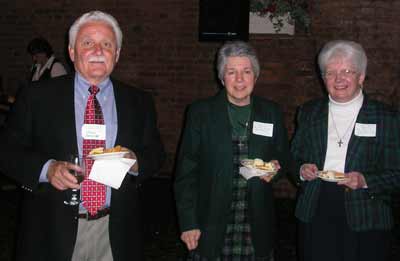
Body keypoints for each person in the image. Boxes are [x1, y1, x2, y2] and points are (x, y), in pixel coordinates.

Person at [0, 10, 165, 261]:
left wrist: (135, 160)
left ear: (117, 54)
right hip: (51, 231)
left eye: (107, 44)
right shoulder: (36, 97)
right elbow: (7, 151)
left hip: (115, 231)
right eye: (88, 43)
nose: (98, 50)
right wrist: (47, 169)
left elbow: (156, 153)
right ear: (72, 51)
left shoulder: (138, 101)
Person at [174, 41, 291, 260]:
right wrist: (188, 222)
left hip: (255, 223)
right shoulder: (201, 113)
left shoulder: (271, 112)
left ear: (255, 76)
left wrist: (276, 167)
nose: (239, 79)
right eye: (231, 72)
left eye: (246, 71)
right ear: (221, 77)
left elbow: (284, 156)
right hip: (210, 221)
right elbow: (185, 174)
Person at [291, 40, 400, 261]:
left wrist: (365, 180)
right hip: (316, 206)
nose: (339, 79)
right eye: (331, 73)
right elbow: (293, 157)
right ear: (323, 79)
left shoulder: (386, 118)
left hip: (366, 212)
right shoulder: (309, 112)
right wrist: (301, 170)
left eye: (347, 71)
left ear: (361, 77)